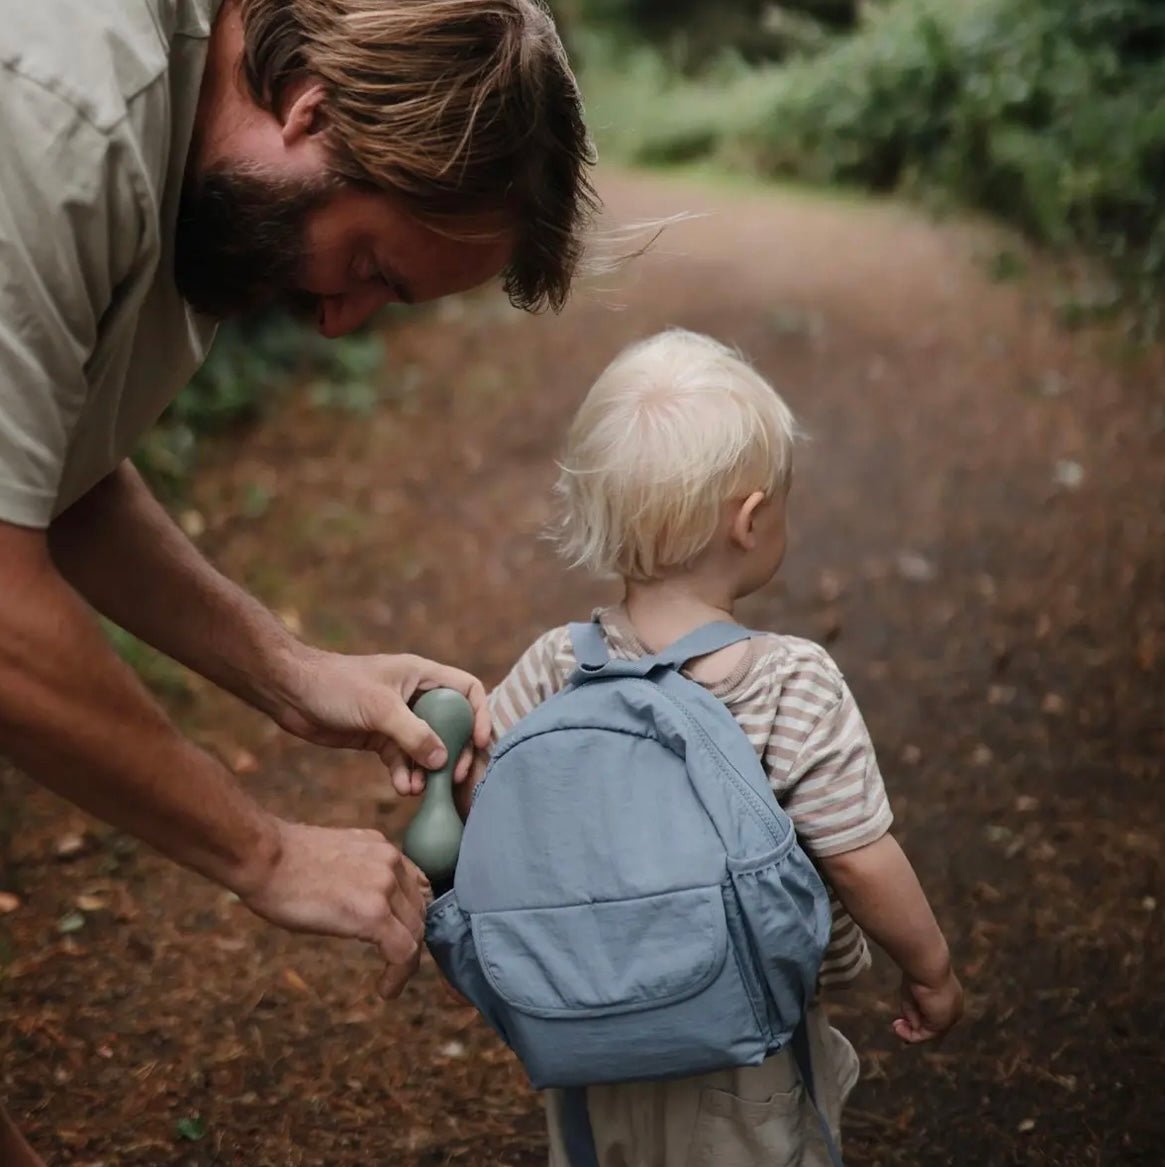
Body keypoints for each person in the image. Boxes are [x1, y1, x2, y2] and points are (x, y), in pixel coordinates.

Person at [0, 0, 597, 1161]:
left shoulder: (205, 178)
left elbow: (53, 478)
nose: (336, 322)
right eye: (369, 266)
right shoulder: (63, 111)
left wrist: (288, 671)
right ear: (314, 110)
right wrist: (262, 852)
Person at [437, 330, 964, 1165]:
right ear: (750, 521)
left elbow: (484, 805)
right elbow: (857, 855)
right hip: (745, 1037)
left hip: (584, 1035)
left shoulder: (553, 666)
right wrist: (928, 966)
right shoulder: (791, 682)